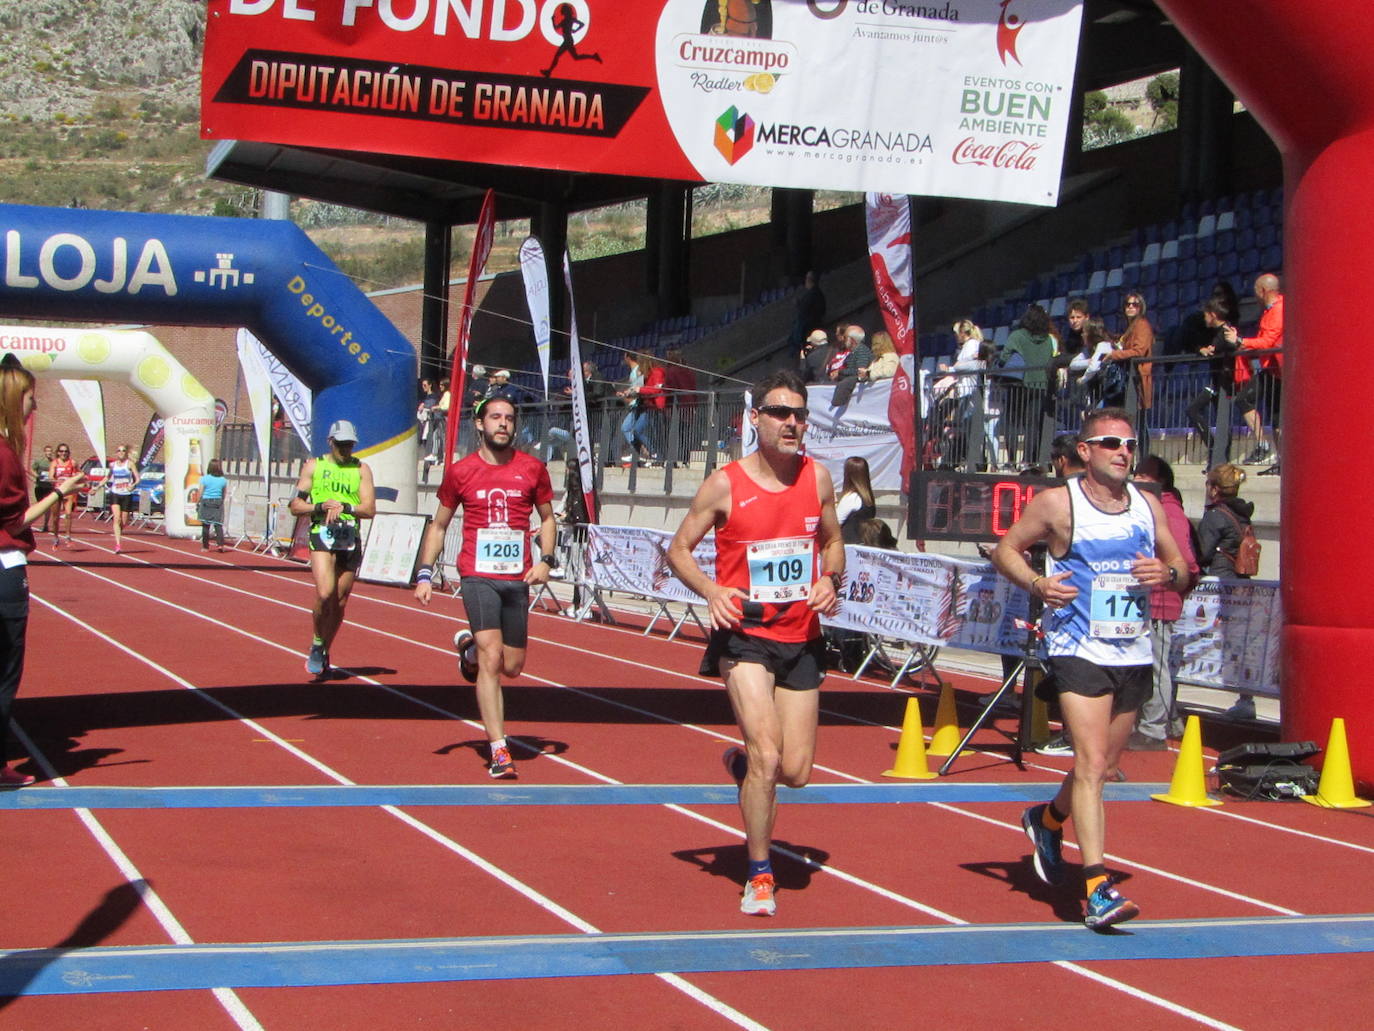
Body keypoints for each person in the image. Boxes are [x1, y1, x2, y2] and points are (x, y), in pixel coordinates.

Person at [992, 408, 1188, 929]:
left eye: (1128, 444)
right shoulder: (1058, 504)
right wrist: (1037, 585)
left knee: (1101, 768)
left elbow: (1185, 572)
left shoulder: (1148, 506)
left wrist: (1167, 573)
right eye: (1109, 443)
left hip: (1133, 651)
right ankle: (1097, 887)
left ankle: (1046, 819)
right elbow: (1005, 549)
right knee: (1091, 761)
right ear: (1085, 451)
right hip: (1078, 649)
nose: (1122, 452)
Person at [667, 369, 844, 917]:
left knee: (796, 772)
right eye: (781, 413)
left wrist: (829, 580)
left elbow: (834, 543)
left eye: (799, 415)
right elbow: (677, 549)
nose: (792, 423)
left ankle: (749, 775)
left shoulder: (818, 478)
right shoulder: (725, 483)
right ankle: (760, 872)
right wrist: (712, 590)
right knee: (768, 754)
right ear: (756, 419)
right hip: (744, 636)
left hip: (802, 637)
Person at [413, 395, 556, 779]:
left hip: (517, 578)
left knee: (512, 666)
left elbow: (547, 518)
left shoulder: (533, 469)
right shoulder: (461, 472)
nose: (503, 424)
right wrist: (426, 572)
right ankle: (499, 749)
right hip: (476, 575)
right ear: (480, 424)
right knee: (493, 659)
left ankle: (468, 650)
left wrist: (546, 560)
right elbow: (440, 525)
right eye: (495, 417)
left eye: (509, 418)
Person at [0, 356, 85, 785]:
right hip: (4, 570)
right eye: (32, 399)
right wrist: (59, 494)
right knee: (5, 671)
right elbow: (14, 522)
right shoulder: (5, 455)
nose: (36, 408)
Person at [288, 420, 377, 677]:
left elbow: (369, 508)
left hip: (349, 536)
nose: (345, 449)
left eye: (349, 445)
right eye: (341, 445)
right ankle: (317, 642)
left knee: (339, 600)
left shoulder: (361, 469)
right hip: (321, 535)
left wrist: (345, 507)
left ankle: (325, 647)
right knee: (325, 593)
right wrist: (321, 507)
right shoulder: (314, 466)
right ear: (330, 442)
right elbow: (295, 506)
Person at [1130, 455, 1199, 748]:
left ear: (1160, 482)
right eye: (1137, 473)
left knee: (1156, 667)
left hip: (1159, 601)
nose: (1137, 478)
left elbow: (1186, 563)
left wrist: (1169, 580)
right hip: (1141, 599)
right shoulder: (1142, 508)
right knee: (1147, 666)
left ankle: (1154, 729)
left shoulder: (1168, 511)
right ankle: (1164, 720)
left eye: (1144, 475)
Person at [1196, 462, 1257, 720]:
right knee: (1238, 643)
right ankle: (1246, 698)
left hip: (1216, 585)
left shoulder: (1215, 516)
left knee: (1198, 638)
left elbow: (1202, 552)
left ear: (1215, 489)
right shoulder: (1243, 514)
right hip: (1239, 583)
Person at [1225, 273, 1284, 474]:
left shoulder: (1278, 310)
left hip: (1280, 371)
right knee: (1245, 400)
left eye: (1256, 291)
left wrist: (1241, 341)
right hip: (1271, 369)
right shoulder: (1269, 310)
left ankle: (1279, 458)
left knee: (1277, 418)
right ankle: (1268, 449)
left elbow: (1268, 341)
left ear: (1263, 291)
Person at [1182, 290, 1240, 459]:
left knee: (1213, 416)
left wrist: (1206, 350)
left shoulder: (1226, 332)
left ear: (1213, 315)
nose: (1204, 318)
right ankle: (1217, 452)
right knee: (1198, 412)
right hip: (1216, 382)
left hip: (1224, 382)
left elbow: (1217, 349)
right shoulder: (1216, 333)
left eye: (1206, 315)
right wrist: (1201, 349)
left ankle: (1220, 456)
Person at [1001, 304, 1056, 468]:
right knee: (1033, 426)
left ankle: (1011, 461)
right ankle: (1029, 461)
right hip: (1040, 385)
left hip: (1018, 384)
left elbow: (1004, 357)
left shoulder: (1017, 335)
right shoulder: (1049, 339)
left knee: (1011, 422)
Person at [1103, 292, 1155, 452]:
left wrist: (1114, 354)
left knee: (1141, 422)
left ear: (1141, 307)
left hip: (1138, 380)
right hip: (1129, 380)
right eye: (1128, 304)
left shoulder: (1142, 325)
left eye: (1135, 304)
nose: (1131, 307)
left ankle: (1144, 458)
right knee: (1132, 422)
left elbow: (1139, 350)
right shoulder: (1131, 326)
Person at [662, 347, 700, 468]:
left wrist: (661, 387)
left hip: (675, 407)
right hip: (689, 406)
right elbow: (693, 389)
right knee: (685, 435)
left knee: (673, 434)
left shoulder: (671, 371)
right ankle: (685, 460)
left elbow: (669, 388)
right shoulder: (689, 371)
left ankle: (673, 460)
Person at [104, 444, 139, 554]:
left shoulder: (130, 464)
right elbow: (107, 477)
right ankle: (118, 544)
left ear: (126, 453)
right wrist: (96, 487)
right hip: (115, 493)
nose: (121, 452)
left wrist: (133, 485)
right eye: (119, 450)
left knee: (123, 521)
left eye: (123, 450)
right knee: (116, 518)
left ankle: (119, 531)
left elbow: (138, 479)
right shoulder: (112, 465)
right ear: (116, 453)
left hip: (126, 494)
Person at [835, 456, 876, 544]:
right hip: (865, 545)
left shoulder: (851, 498)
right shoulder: (868, 498)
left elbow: (835, 524)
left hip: (850, 546)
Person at [48, 443, 78, 547]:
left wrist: (74, 479)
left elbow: (77, 475)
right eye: (61, 451)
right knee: (55, 517)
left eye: (65, 451)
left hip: (68, 492)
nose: (63, 453)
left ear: (68, 452)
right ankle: (56, 537)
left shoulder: (73, 463)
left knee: (68, 514)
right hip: (57, 491)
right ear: (58, 452)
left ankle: (68, 536)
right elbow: (51, 476)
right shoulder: (54, 463)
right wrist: (56, 480)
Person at [198, 459, 228, 552]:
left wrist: (198, 501)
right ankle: (220, 545)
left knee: (206, 525)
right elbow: (224, 493)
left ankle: (205, 546)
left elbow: (201, 491)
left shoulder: (205, 478)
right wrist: (221, 500)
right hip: (218, 501)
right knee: (218, 525)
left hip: (206, 501)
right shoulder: (223, 480)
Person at [791, 270, 826, 351]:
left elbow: (806, 311)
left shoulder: (814, 294)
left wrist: (798, 304)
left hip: (811, 330)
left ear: (809, 280)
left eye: (806, 278)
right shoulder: (814, 293)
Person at [32, 445, 55, 535]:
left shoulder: (54, 462)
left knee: (47, 506)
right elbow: (32, 469)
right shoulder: (39, 462)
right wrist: (37, 476)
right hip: (39, 486)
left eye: (50, 451)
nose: (49, 453)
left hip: (49, 487)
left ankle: (45, 525)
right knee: (40, 506)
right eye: (47, 451)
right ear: (45, 452)